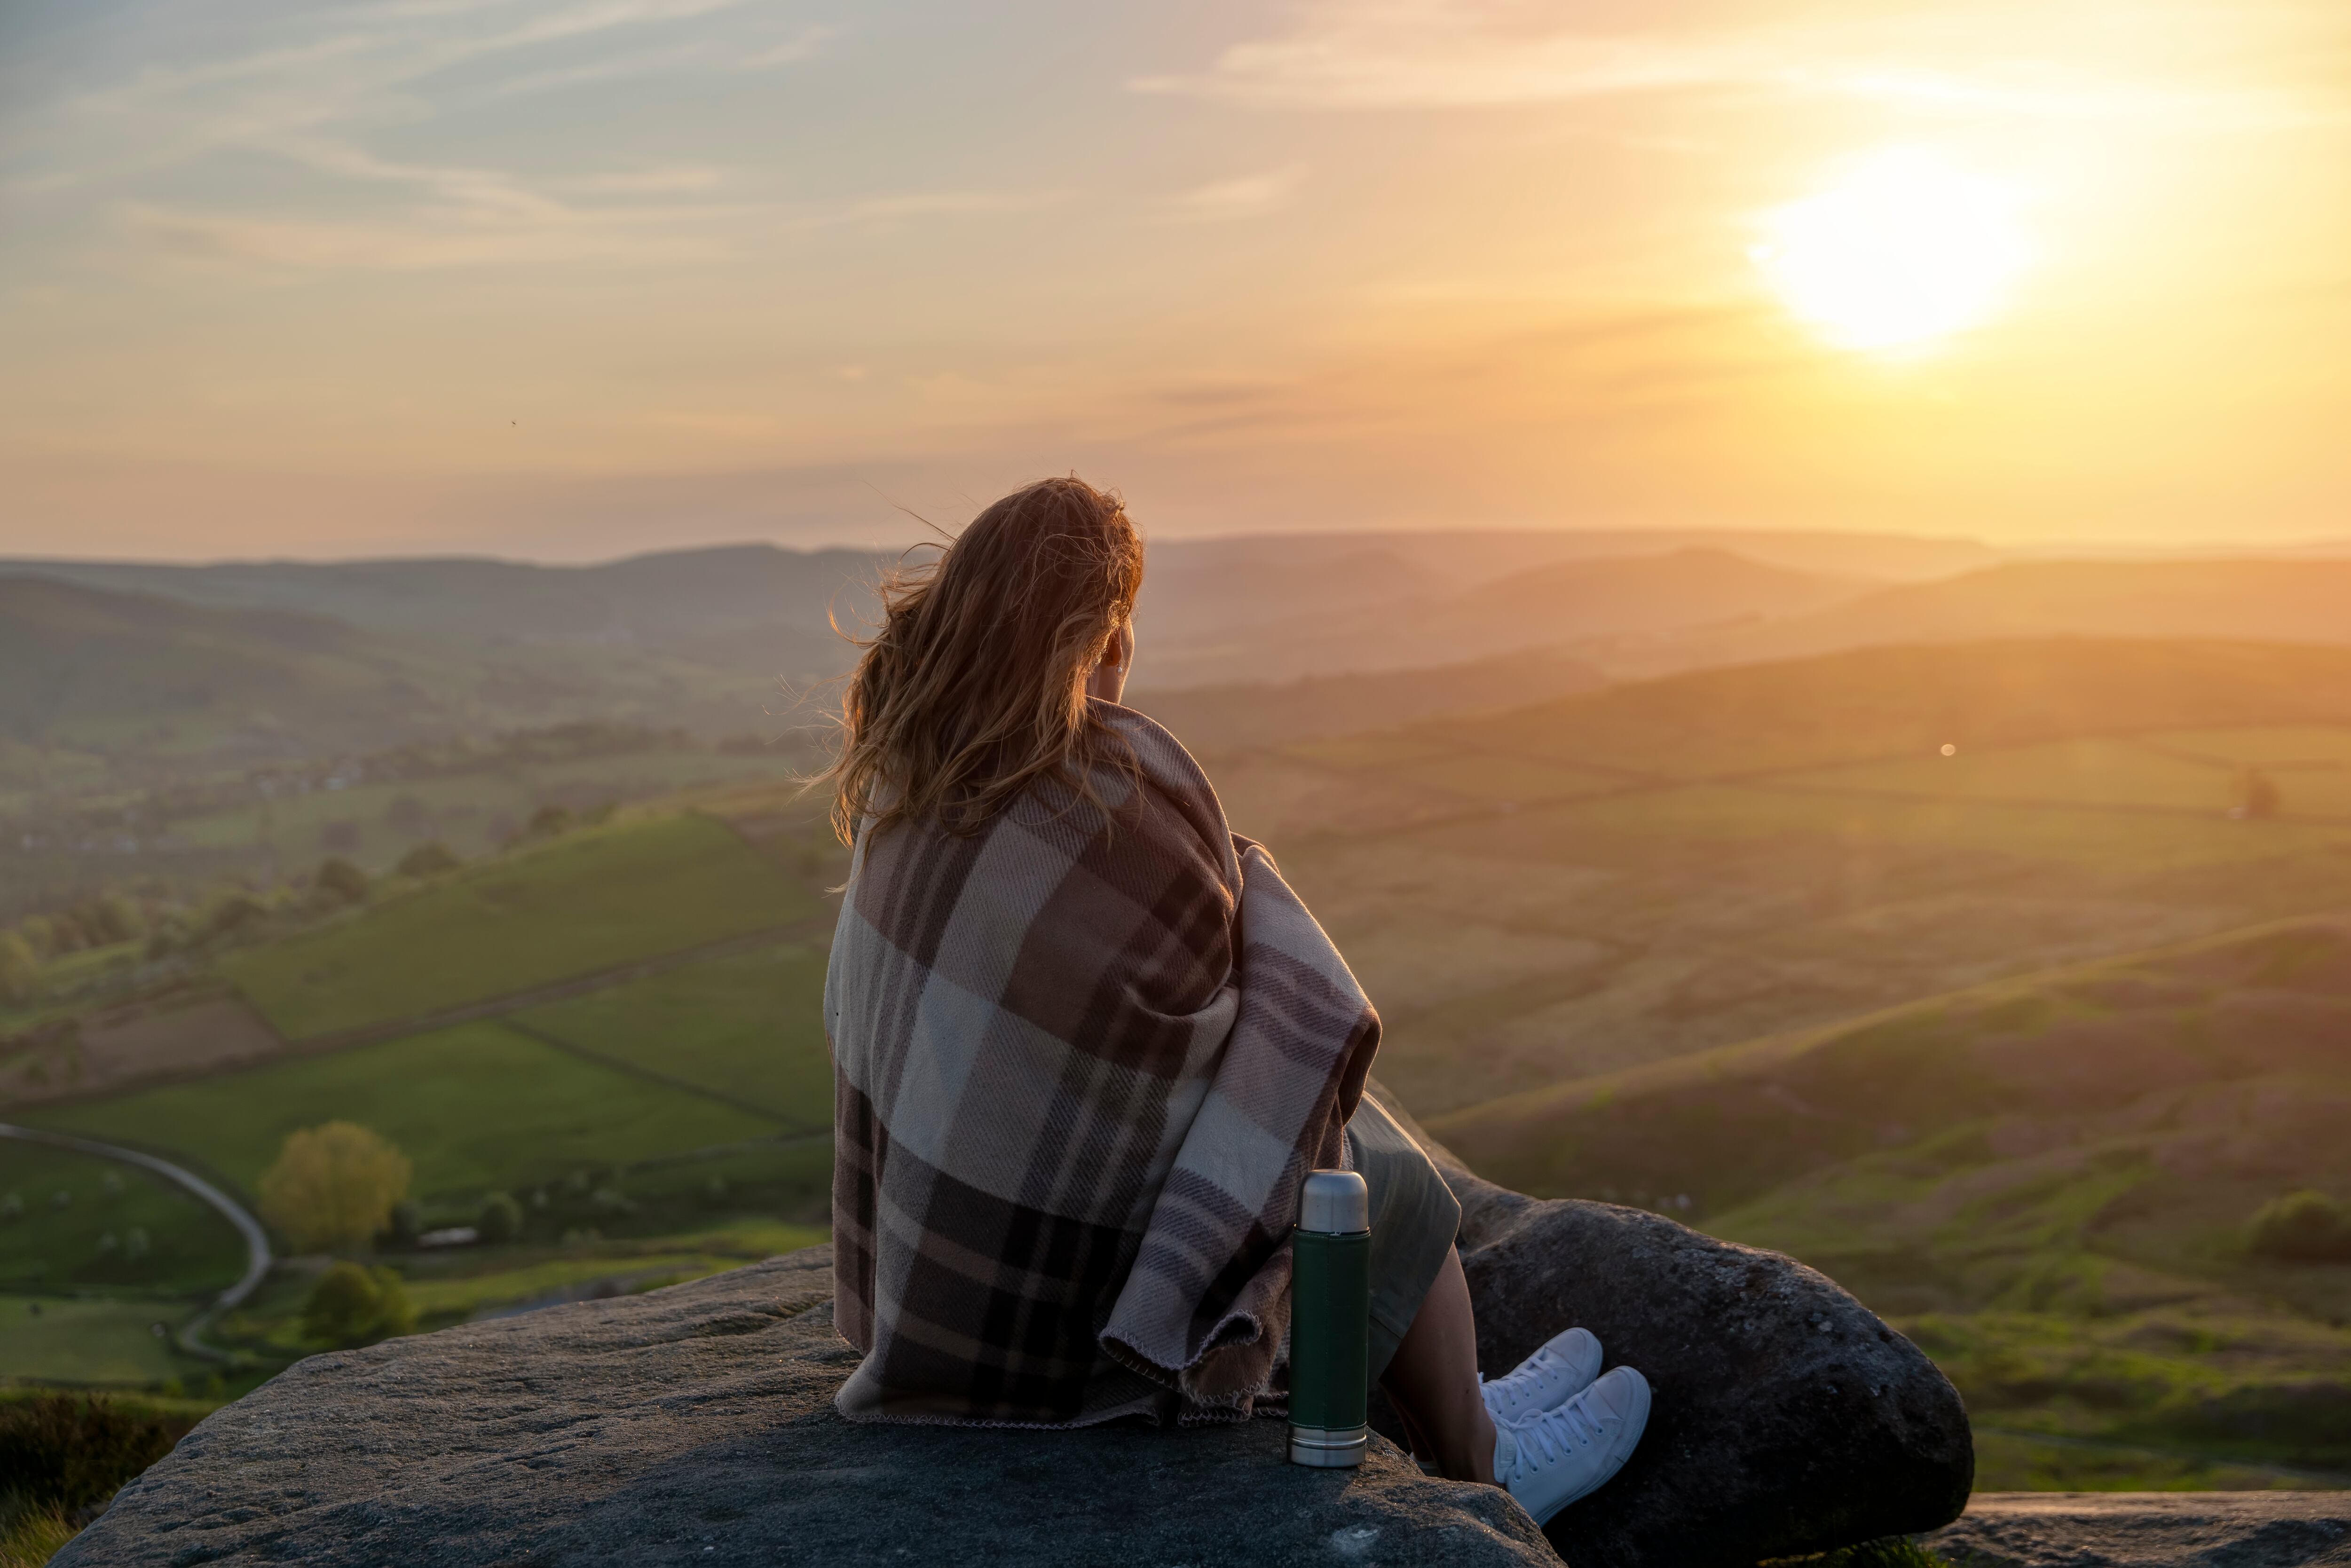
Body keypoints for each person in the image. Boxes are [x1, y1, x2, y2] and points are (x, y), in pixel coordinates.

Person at [820, 476, 1649, 1524]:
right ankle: (1485, 1459)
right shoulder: (1109, 781)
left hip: (938, 1292)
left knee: (1331, 1125)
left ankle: (1465, 1395)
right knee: (1360, 1161)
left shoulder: (909, 775)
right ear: (1097, 635)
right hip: (1077, 1325)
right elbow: (1216, 991)